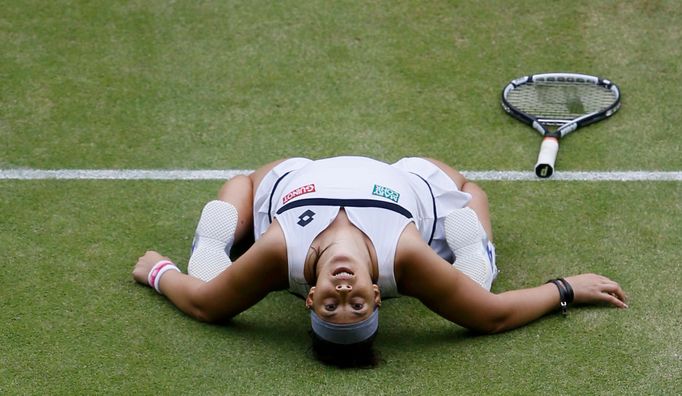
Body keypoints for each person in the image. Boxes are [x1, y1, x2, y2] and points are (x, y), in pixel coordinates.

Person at [132, 156, 628, 368]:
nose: (343, 295)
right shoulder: (404, 257)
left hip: (300, 177)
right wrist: (565, 289)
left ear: (309, 297)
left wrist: (159, 272)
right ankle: (478, 252)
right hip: (407, 184)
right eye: (356, 308)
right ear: (377, 298)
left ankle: (210, 241)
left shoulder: (281, 251)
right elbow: (489, 315)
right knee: (469, 217)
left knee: (224, 215)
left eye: (330, 308)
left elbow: (205, 306)